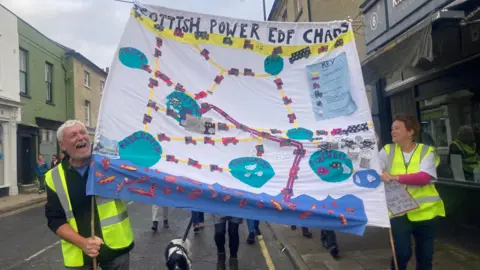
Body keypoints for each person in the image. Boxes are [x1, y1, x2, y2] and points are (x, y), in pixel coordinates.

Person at [45, 120, 134, 269]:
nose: (81, 137)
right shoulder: (53, 177)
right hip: (79, 254)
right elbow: (55, 219)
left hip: (116, 249)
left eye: (83, 132)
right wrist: (84, 243)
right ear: (62, 146)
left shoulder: (109, 164)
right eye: (73, 135)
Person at [379, 115, 445, 270]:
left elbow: (424, 177)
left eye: (397, 128)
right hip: (398, 211)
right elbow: (373, 170)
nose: (392, 131)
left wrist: (394, 177)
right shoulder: (387, 150)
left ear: (410, 132)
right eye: (391, 128)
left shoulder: (426, 151)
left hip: (426, 213)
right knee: (401, 253)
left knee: (425, 256)